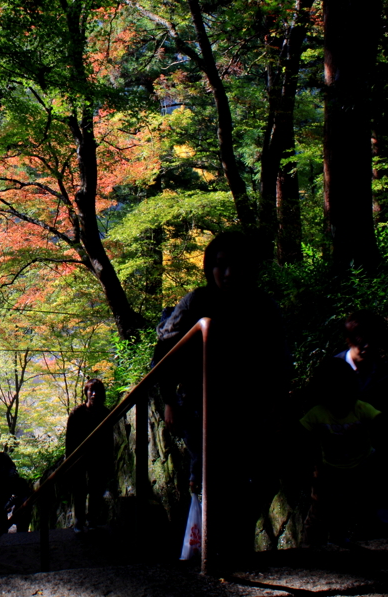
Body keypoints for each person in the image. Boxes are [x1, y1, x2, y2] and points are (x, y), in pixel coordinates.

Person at [153, 231, 289, 557]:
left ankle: (234, 548)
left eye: (236, 266)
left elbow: (279, 357)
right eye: (220, 265)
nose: (228, 273)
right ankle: (209, 553)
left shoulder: (262, 305)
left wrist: (275, 396)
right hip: (201, 405)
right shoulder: (196, 302)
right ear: (209, 267)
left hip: (248, 405)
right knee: (209, 476)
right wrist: (169, 400)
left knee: (250, 479)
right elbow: (164, 353)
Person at [299, 357, 388, 543]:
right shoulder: (317, 413)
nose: (340, 397)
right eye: (333, 391)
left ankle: (367, 538)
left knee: (364, 507)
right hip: (331, 471)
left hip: (363, 466)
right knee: (322, 510)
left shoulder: (360, 408)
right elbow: (300, 436)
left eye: (343, 389)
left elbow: (382, 424)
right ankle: (313, 546)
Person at [65, 378, 113, 532]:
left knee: (96, 489)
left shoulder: (106, 414)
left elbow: (109, 439)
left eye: (96, 391)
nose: (93, 394)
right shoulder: (77, 413)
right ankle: (79, 521)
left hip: (98, 456)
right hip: (79, 457)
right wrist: (69, 458)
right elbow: (69, 438)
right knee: (79, 489)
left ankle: (92, 519)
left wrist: (109, 459)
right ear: (85, 393)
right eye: (90, 390)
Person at [334, 310, 388, 409]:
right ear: (348, 340)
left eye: (372, 341)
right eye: (362, 343)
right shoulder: (331, 371)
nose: (367, 347)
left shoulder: (386, 373)